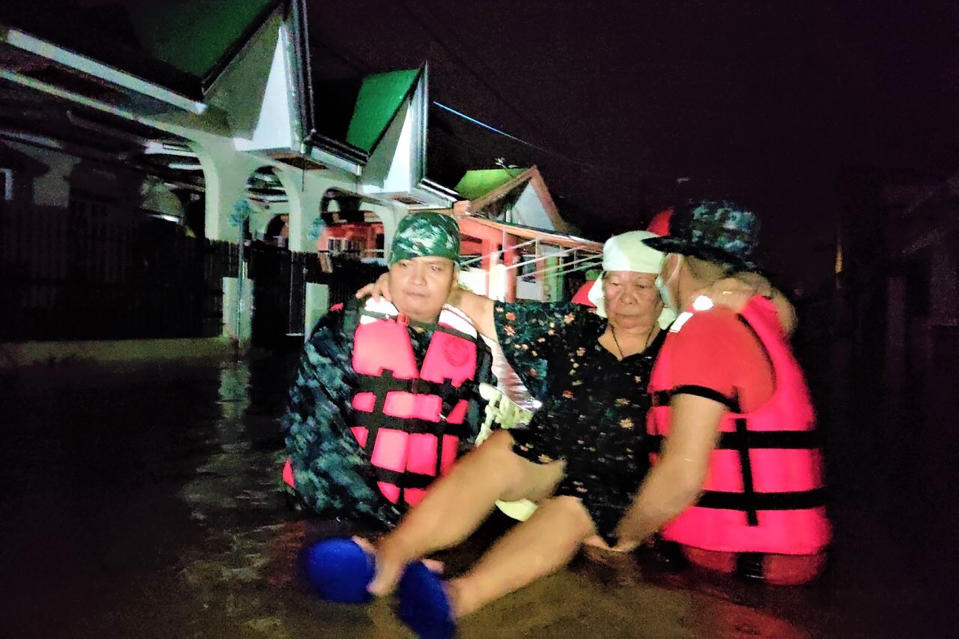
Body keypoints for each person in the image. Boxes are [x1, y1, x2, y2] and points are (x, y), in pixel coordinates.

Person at [612, 200, 831, 585]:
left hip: (736, 571)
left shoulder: (705, 330)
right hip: (774, 564)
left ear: (673, 262)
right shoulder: (758, 316)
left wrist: (620, 538)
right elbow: (787, 315)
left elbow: (681, 476)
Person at [281, 212, 494, 531]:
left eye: (434, 268)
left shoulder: (476, 350)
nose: (417, 280)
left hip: (421, 524)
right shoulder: (343, 329)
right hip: (331, 516)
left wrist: (441, 524)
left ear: (453, 278)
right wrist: (391, 527)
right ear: (389, 269)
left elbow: (472, 443)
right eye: (405, 264)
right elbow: (313, 433)